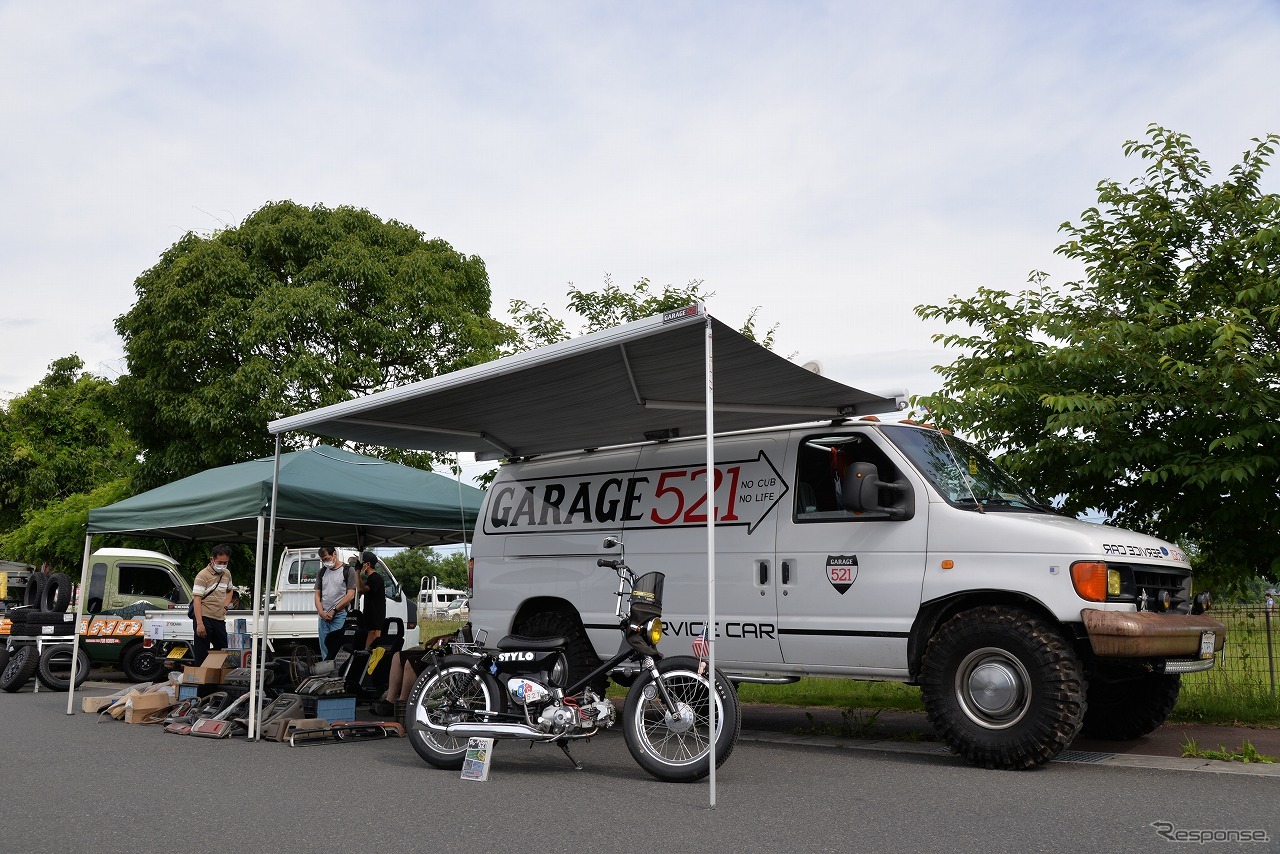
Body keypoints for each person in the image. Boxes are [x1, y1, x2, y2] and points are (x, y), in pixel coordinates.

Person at [191, 544, 235, 665]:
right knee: (201, 654)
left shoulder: (227, 574)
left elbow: (230, 590)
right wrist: (199, 623)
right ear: (212, 559)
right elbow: (197, 600)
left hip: (219, 618)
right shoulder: (202, 575)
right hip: (204, 617)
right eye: (219, 562)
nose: (222, 565)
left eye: (225, 562)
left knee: (223, 650)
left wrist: (225, 606)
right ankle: (202, 681)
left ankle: (217, 679)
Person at [314, 545, 356, 658]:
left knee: (337, 647)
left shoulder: (348, 570)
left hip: (340, 615)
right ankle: (325, 671)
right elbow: (317, 595)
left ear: (334, 554)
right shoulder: (321, 572)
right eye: (322, 560)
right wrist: (321, 612)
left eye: (327, 558)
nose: (325, 562)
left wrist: (334, 610)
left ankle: (337, 673)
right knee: (324, 647)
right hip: (323, 616)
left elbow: (350, 595)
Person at [356, 550, 386, 649]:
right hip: (369, 620)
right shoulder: (370, 579)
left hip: (375, 622)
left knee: (370, 648)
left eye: (362, 563)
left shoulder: (376, 578)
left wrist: (357, 572)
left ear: (367, 564)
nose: (360, 566)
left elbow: (362, 589)